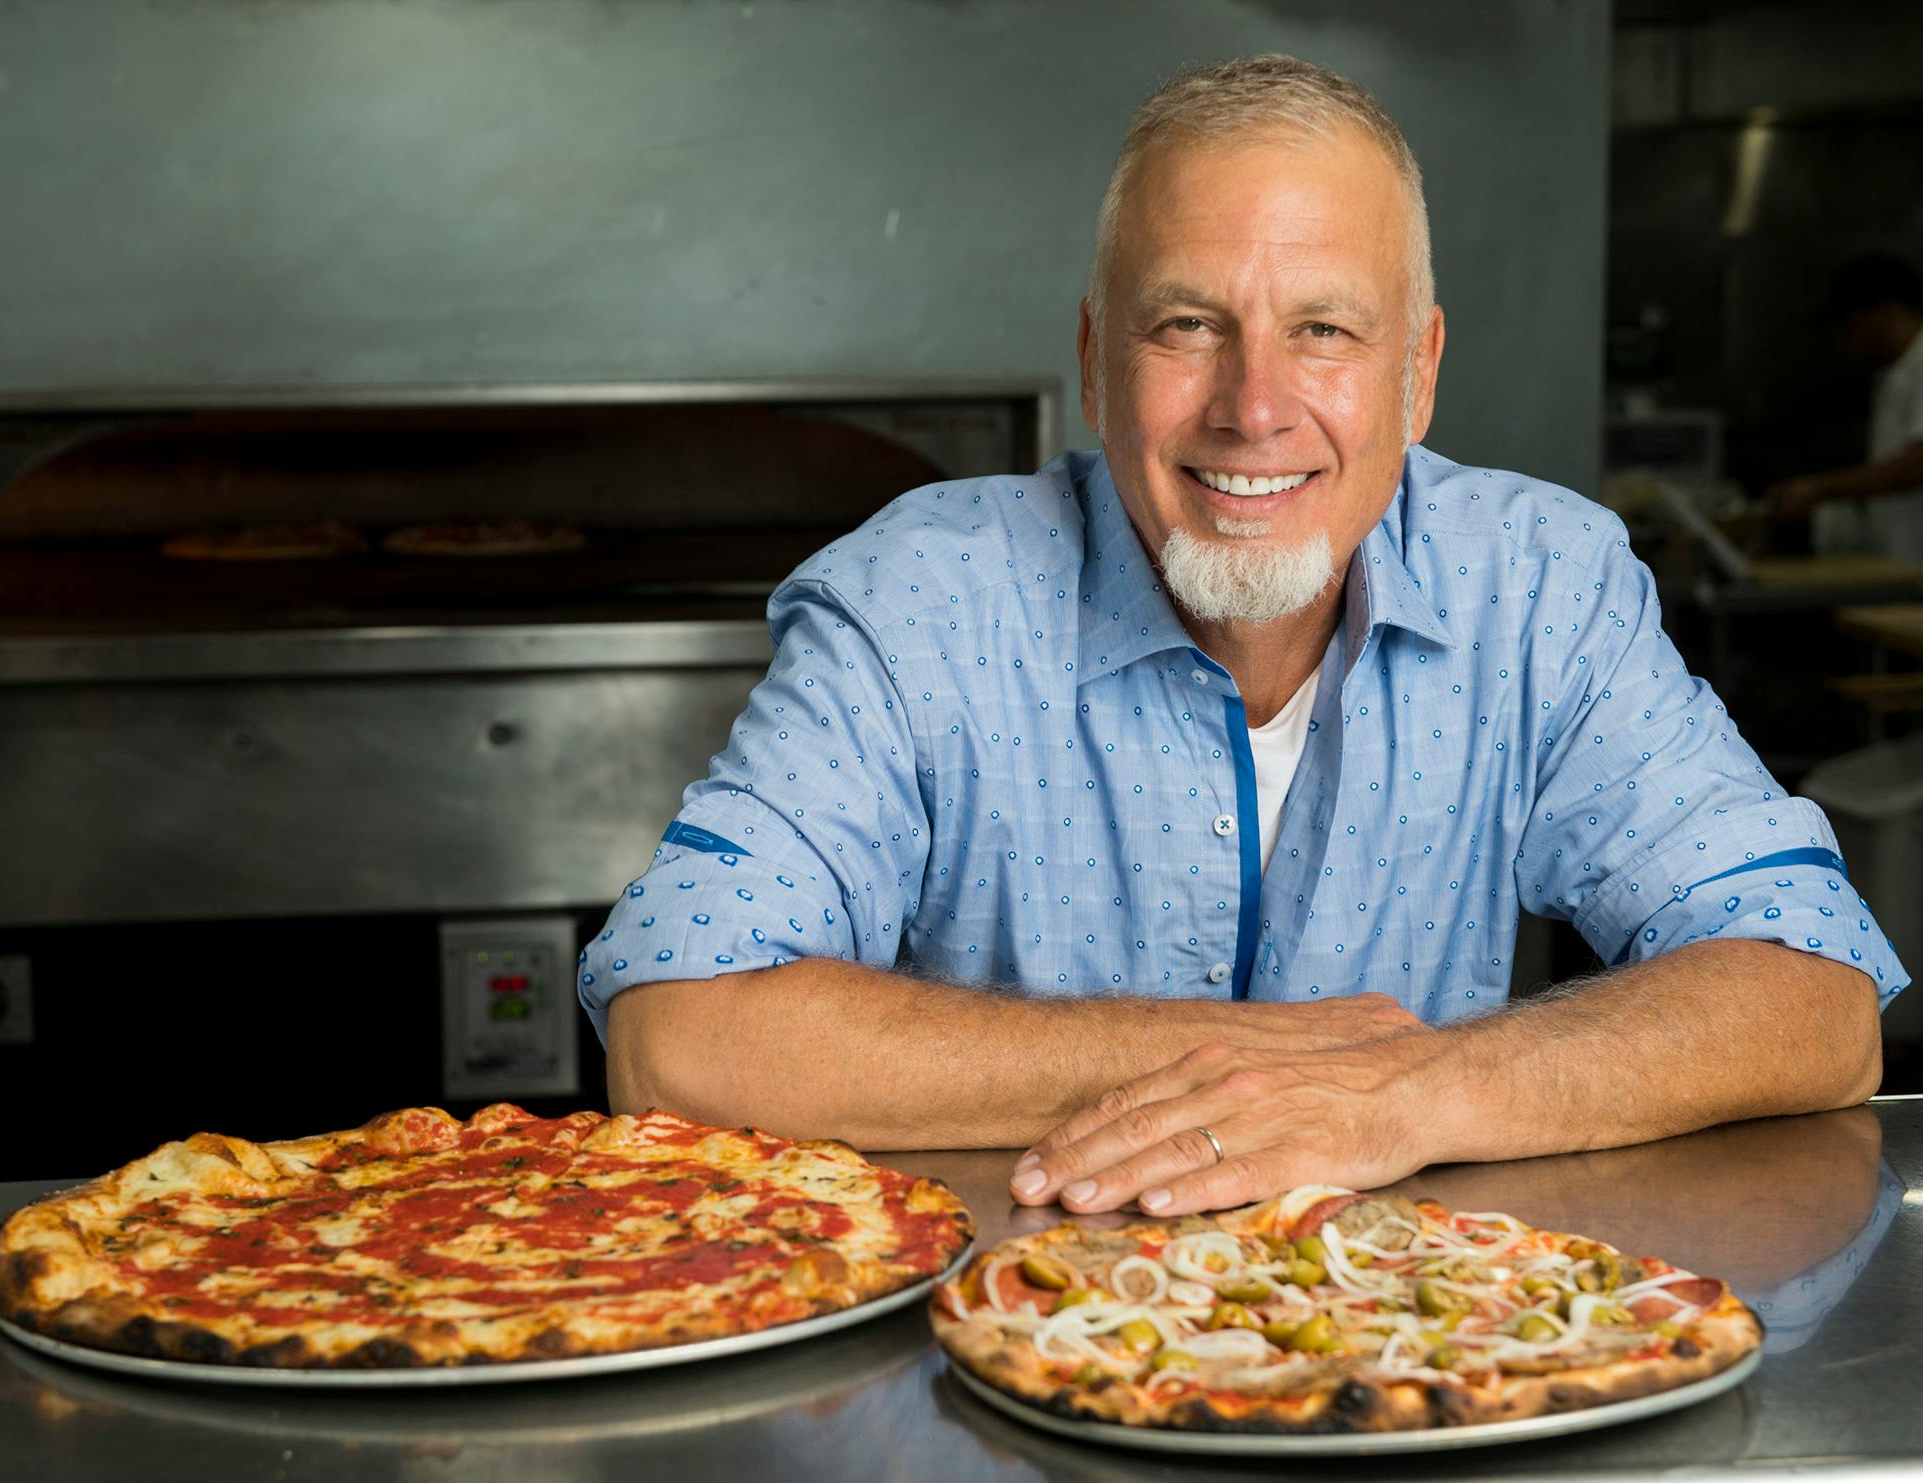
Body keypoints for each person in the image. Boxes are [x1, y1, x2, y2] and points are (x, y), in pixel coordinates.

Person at [579, 55, 1901, 1220]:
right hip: (984, 1384)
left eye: (1323, 329)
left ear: (1419, 372)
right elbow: (678, 1033)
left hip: (1417, 1376)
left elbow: (1816, 991)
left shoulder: (1540, 585)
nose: (1252, 406)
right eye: (1187, 325)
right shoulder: (916, 599)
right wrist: (1254, 1059)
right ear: (1097, 362)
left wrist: (1402, 1091)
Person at [1769, 254, 1923, 559]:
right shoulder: (1896, 373)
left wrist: (1818, 490)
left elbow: (1917, 464)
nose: (1845, 343)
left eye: (1850, 327)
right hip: (1899, 567)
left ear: (1885, 312)